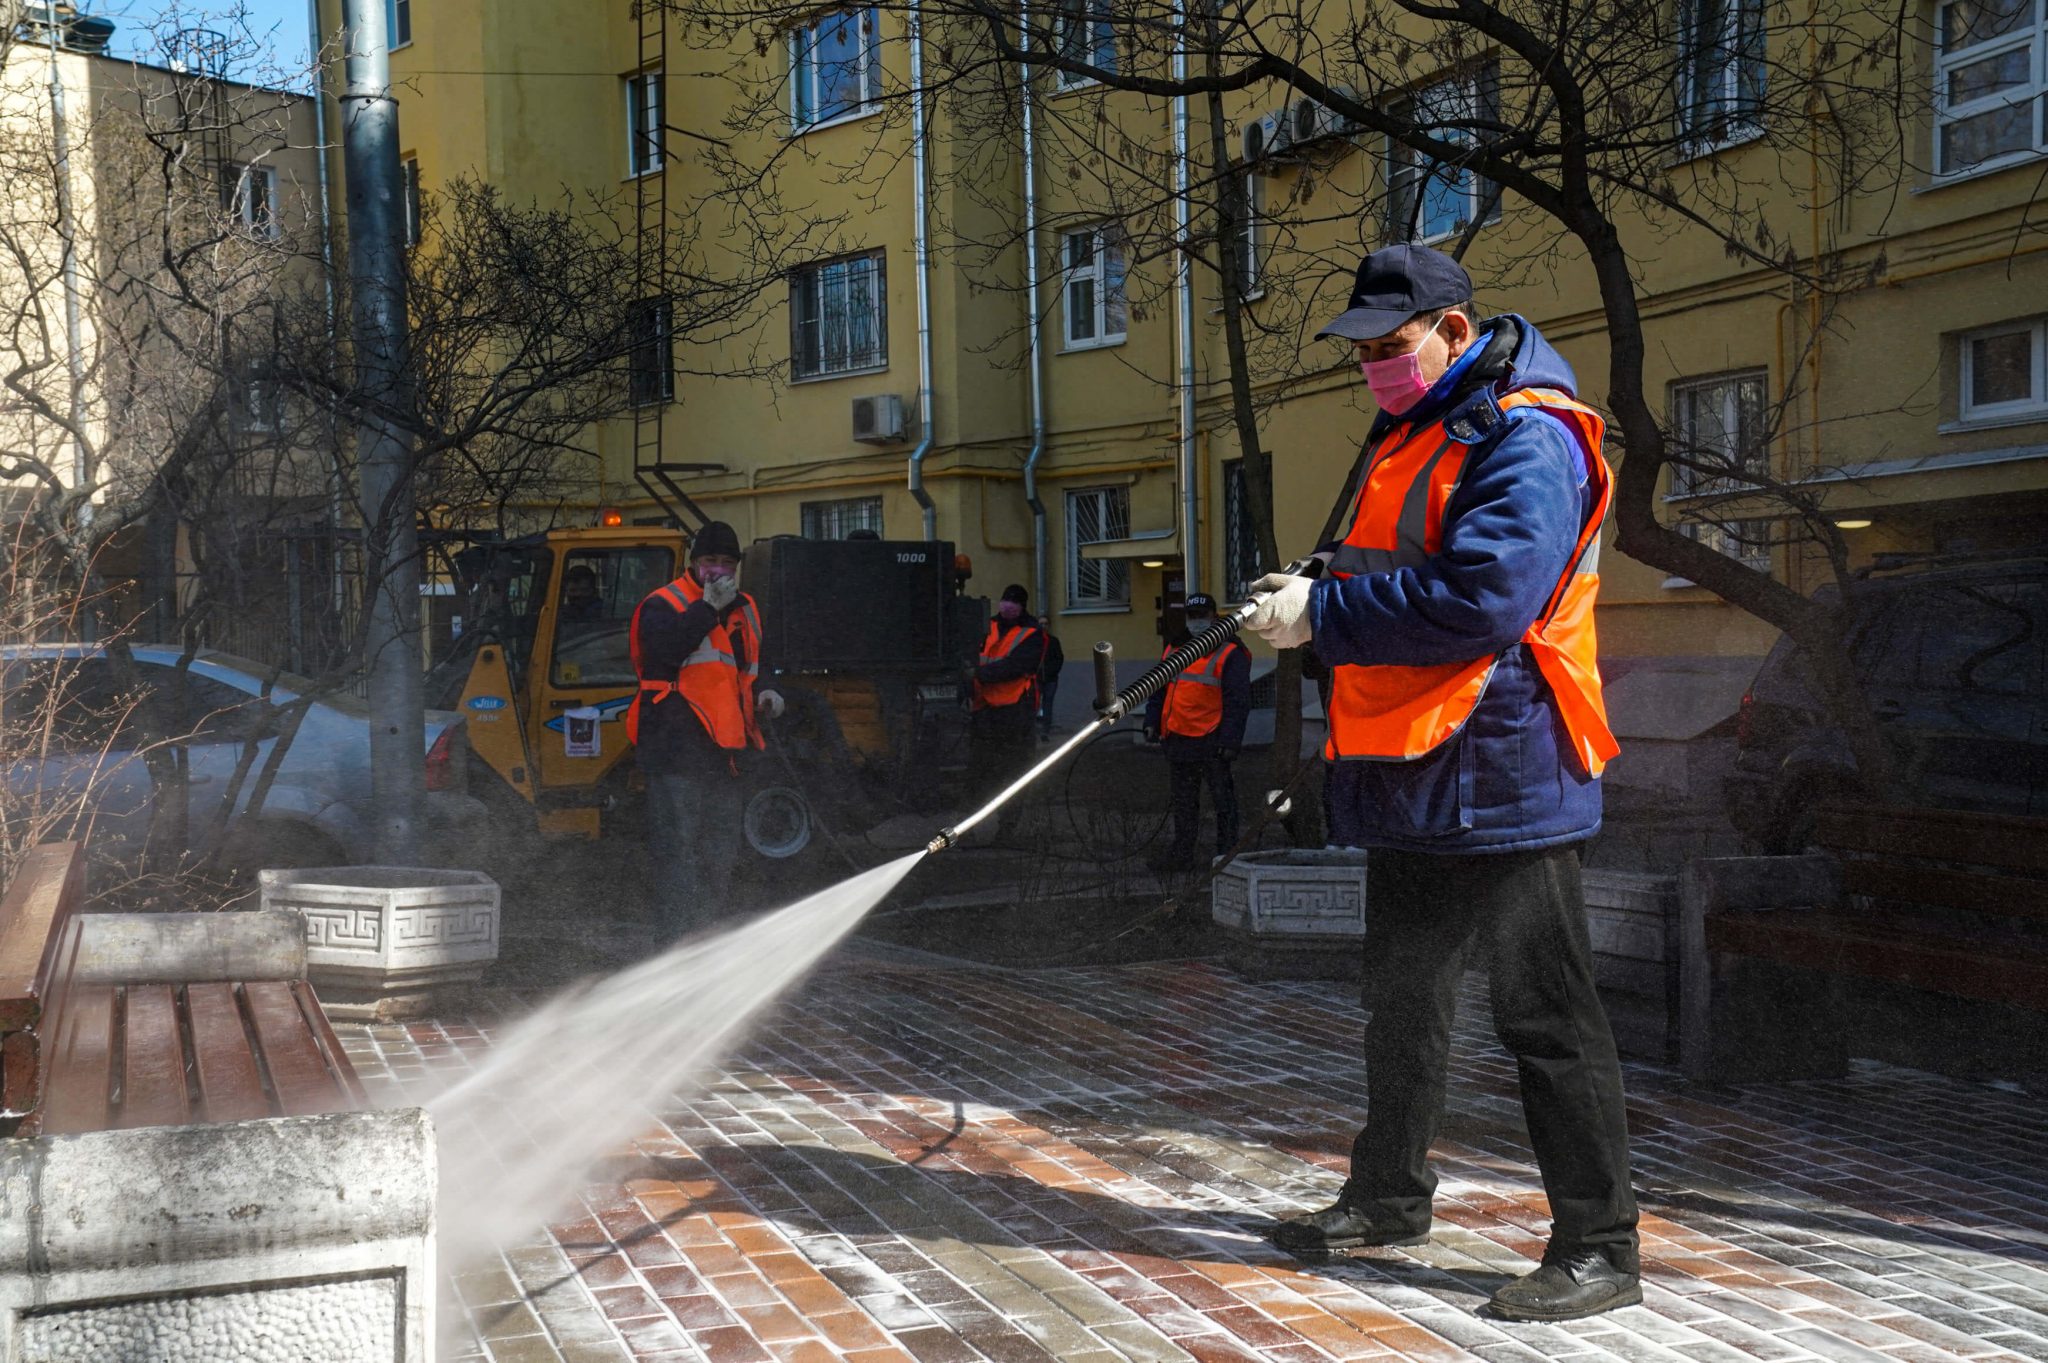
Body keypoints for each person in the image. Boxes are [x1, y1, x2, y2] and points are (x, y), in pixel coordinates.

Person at [1243, 244, 1639, 1322]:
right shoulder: (1419, 432)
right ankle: (1385, 1196)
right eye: (1361, 351)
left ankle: (1600, 1247)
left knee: (1545, 1016)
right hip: (1419, 766)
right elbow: (1395, 562)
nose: (1374, 364)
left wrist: (1319, 617)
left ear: (1453, 330)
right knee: (1402, 1002)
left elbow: (1483, 597)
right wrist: (1314, 585)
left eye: (1390, 344)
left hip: (1507, 770)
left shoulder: (1526, 435)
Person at [626, 521, 784, 934]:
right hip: (675, 749)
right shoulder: (663, 604)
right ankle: (676, 942)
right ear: (694, 563)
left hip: (724, 753)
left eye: (727, 563)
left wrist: (769, 690)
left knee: (719, 854)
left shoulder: (744, 607)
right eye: (710, 561)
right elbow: (663, 656)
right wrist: (707, 609)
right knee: (678, 852)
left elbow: (754, 664)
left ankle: (704, 935)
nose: (719, 570)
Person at [1142, 593, 1250, 871]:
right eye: (1192, 616)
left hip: (1212, 740)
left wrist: (1230, 740)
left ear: (1215, 617)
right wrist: (1152, 721)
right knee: (1184, 804)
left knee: (1223, 803)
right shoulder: (1174, 648)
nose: (1197, 622)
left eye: (1202, 616)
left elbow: (1238, 701)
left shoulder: (1230, 652)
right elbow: (1159, 688)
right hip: (1179, 737)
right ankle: (1182, 855)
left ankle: (1226, 857)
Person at [968, 584, 1045, 819]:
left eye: (1013, 601)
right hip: (985, 710)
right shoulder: (987, 626)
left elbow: (1017, 666)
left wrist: (979, 674)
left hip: (1014, 712)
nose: (1007, 605)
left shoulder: (1032, 633)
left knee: (1011, 772)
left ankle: (1007, 825)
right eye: (1005, 600)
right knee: (980, 772)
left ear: (1022, 606)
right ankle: (970, 825)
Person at [1035, 615, 1065, 741]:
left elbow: (1059, 658)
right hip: (1036, 679)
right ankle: (1032, 731)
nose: (1043, 626)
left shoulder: (1053, 641)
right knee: (1034, 705)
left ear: (1049, 625)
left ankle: (1045, 732)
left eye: (1045, 623)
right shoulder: (1033, 641)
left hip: (1050, 679)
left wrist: (1052, 672)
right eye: (1041, 623)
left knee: (1048, 706)